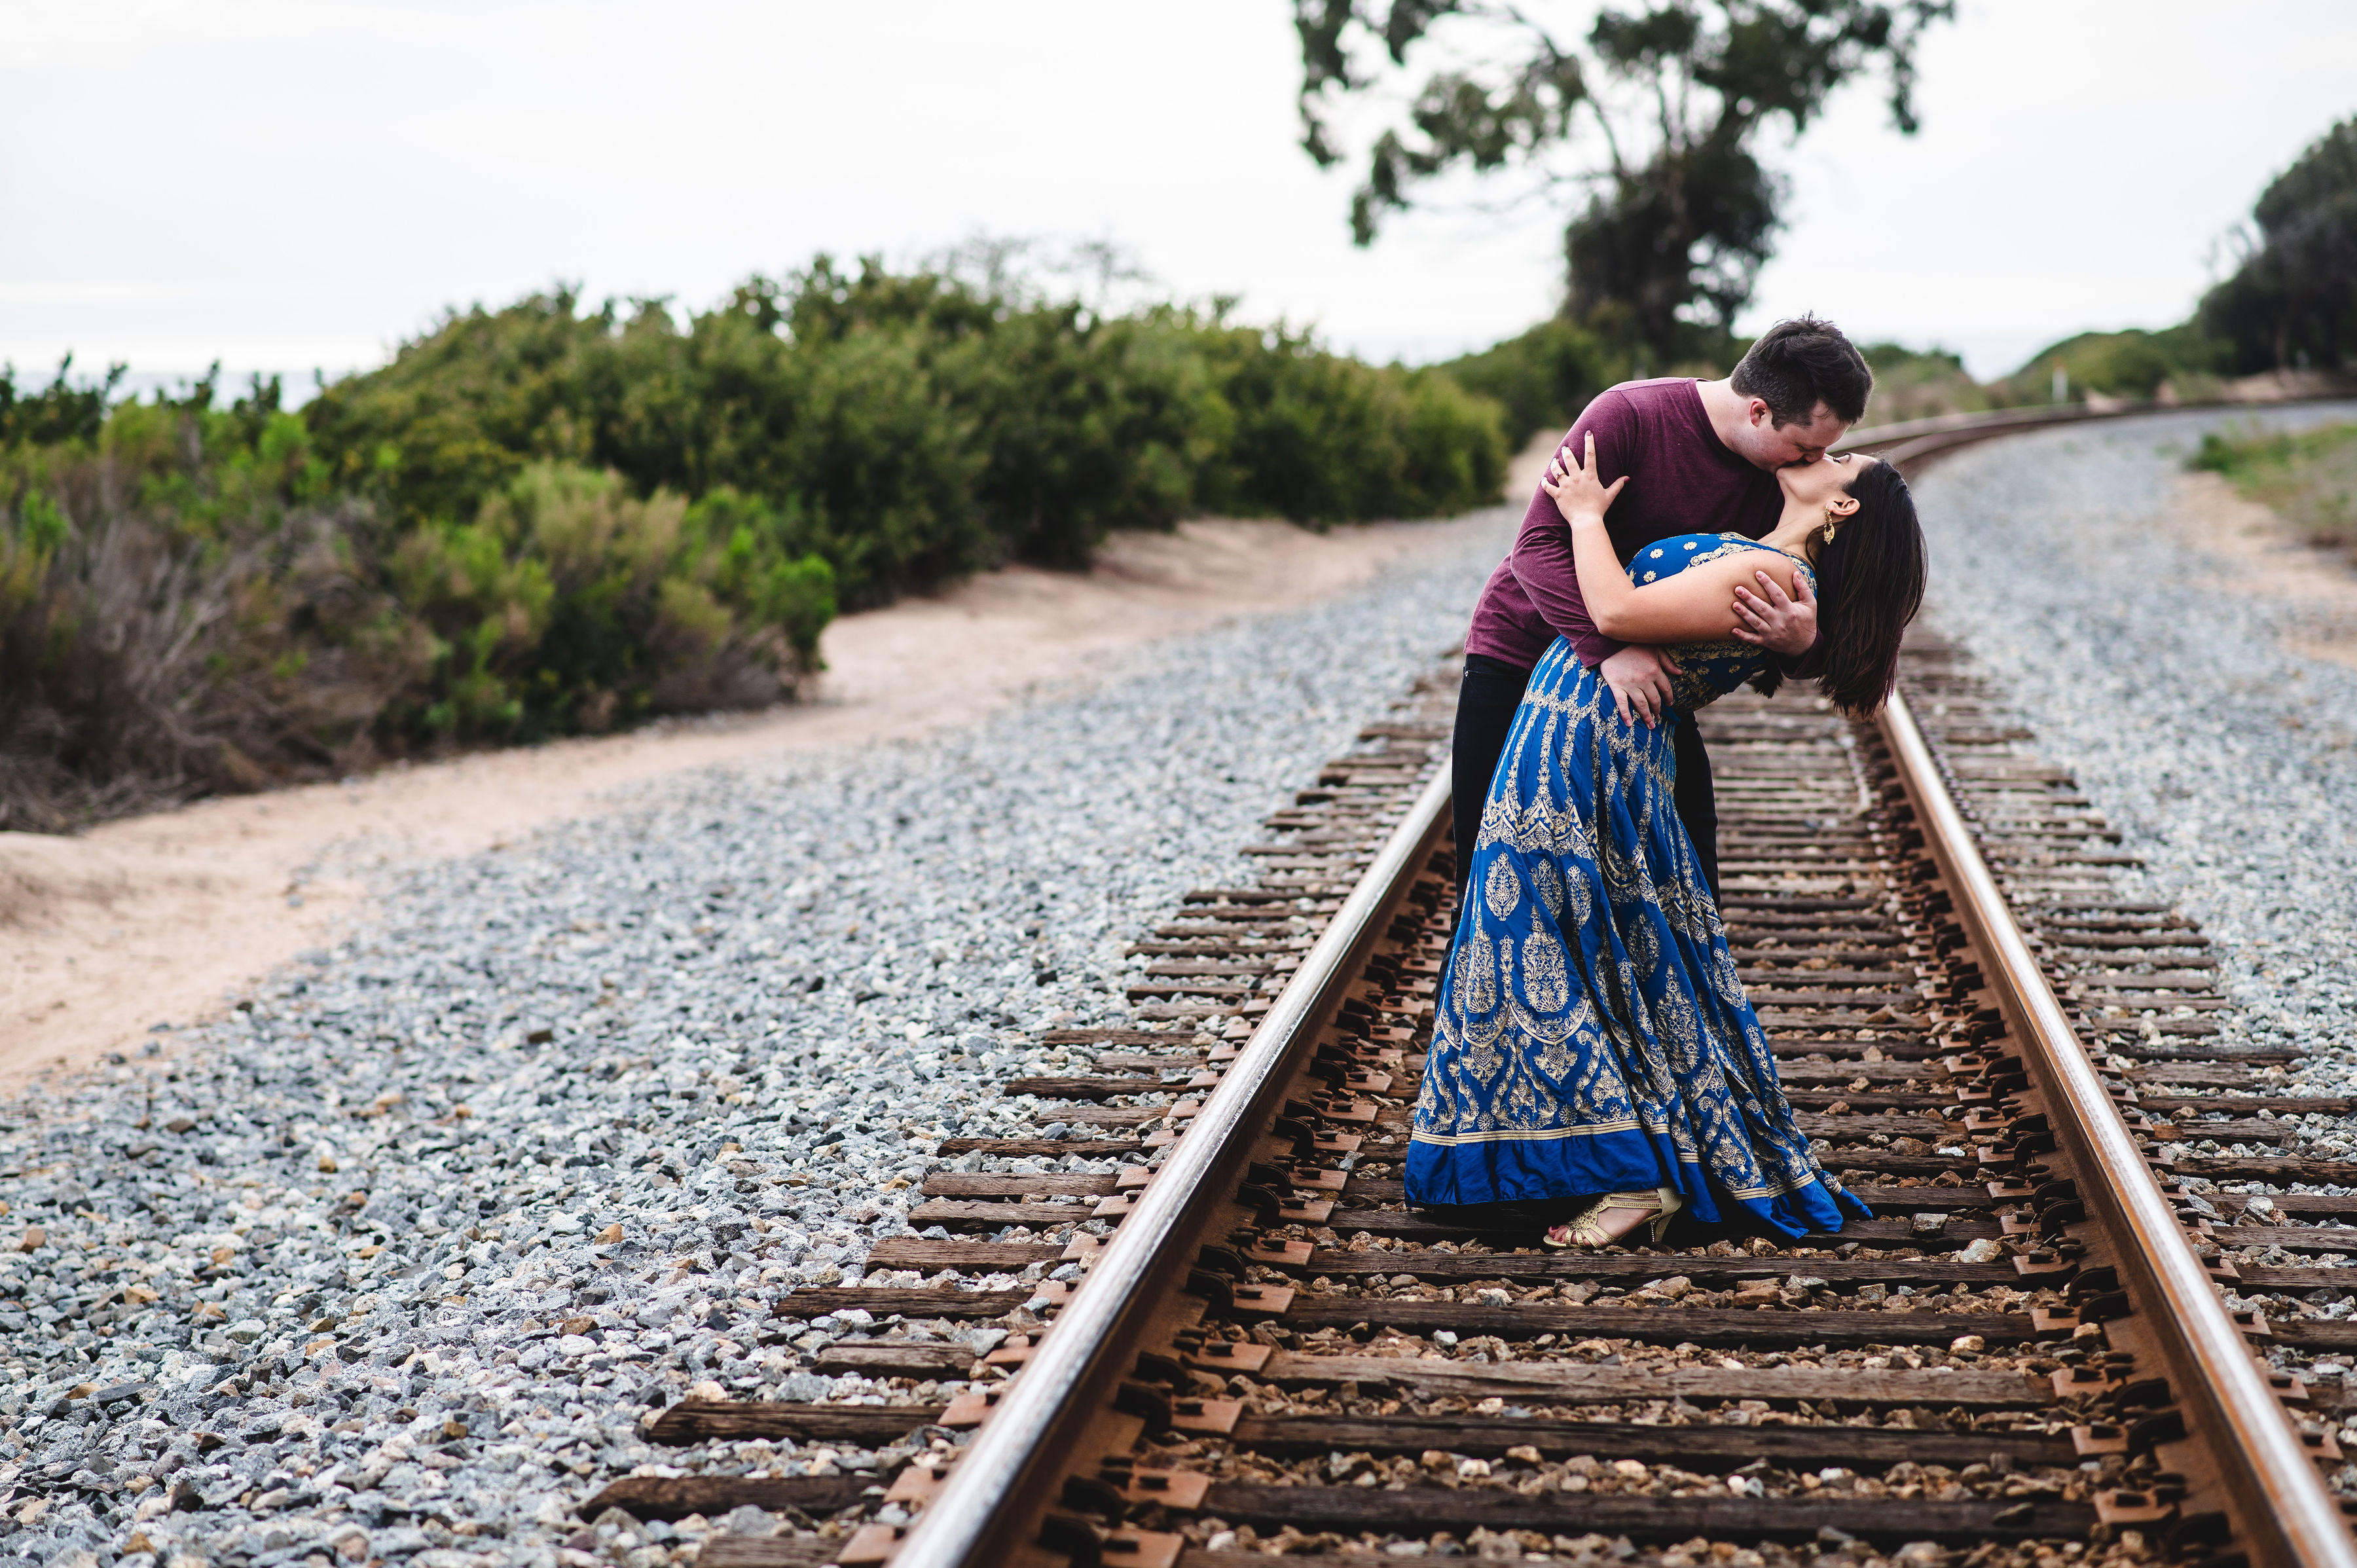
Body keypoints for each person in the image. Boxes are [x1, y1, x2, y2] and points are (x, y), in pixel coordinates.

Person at [1406, 431, 1926, 1246]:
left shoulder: (1772, 575)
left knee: (1534, 946)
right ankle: (1592, 1159)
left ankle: (1632, 1177)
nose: (1825, 452)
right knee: (1591, 953)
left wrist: (1582, 517)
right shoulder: (1779, 572)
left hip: (1579, 748)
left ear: (1843, 503)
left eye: (1838, 459)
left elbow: (1615, 612)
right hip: (1581, 738)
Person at [1452, 316, 1874, 912]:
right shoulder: (1629, 416)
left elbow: (1816, 635)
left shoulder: (1784, 489)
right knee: (1485, 878)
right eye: (1807, 446)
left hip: (1649, 693)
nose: (1814, 461)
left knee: (1692, 876)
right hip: (1521, 654)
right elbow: (1536, 548)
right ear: (1757, 412)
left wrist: (1802, 643)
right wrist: (1608, 651)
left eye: (1827, 451)